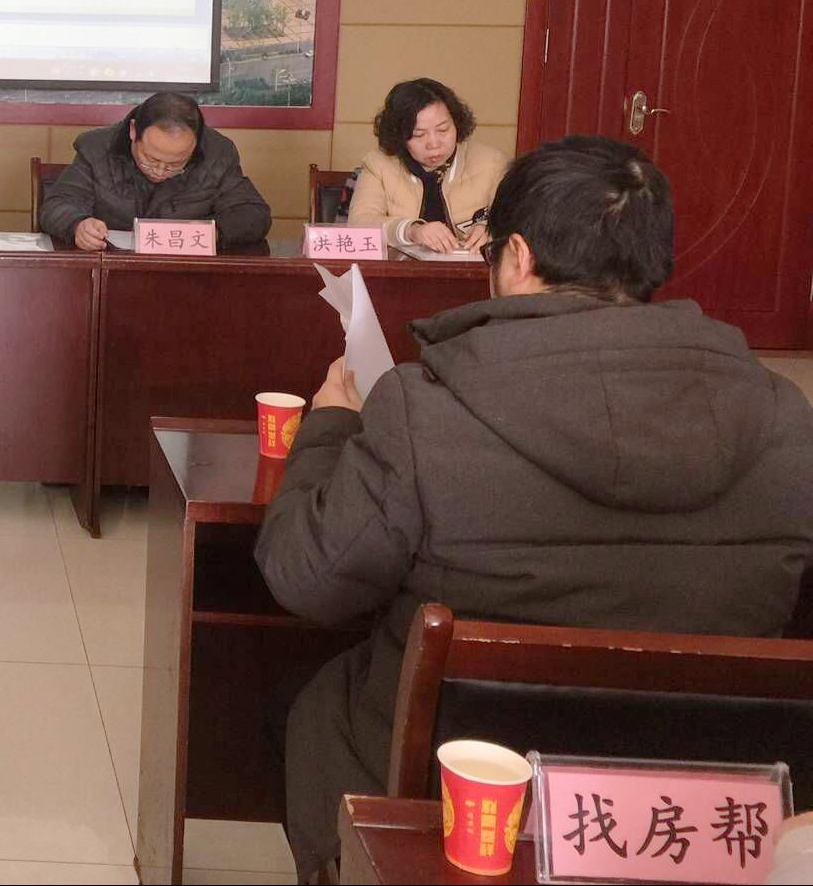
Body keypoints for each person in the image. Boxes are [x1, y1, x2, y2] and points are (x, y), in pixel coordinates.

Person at [253, 136, 813, 880]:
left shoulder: (423, 410)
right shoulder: (785, 415)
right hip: (701, 806)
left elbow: (306, 577)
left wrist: (329, 427)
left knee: (309, 699)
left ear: (515, 257)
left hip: (461, 800)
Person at [39, 90, 271, 250]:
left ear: (195, 145)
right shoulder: (97, 147)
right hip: (113, 267)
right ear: (133, 132)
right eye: (151, 160)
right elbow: (58, 204)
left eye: (174, 165)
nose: (160, 172)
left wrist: (210, 233)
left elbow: (253, 215)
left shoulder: (217, 153)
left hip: (188, 273)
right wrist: (78, 225)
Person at [347, 77, 507, 253]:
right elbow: (359, 223)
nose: (434, 144)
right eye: (419, 135)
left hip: (471, 269)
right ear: (399, 135)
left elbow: (516, 220)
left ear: (456, 124)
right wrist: (410, 231)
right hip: (401, 269)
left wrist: (490, 229)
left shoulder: (491, 163)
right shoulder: (378, 165)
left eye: (443, 130)